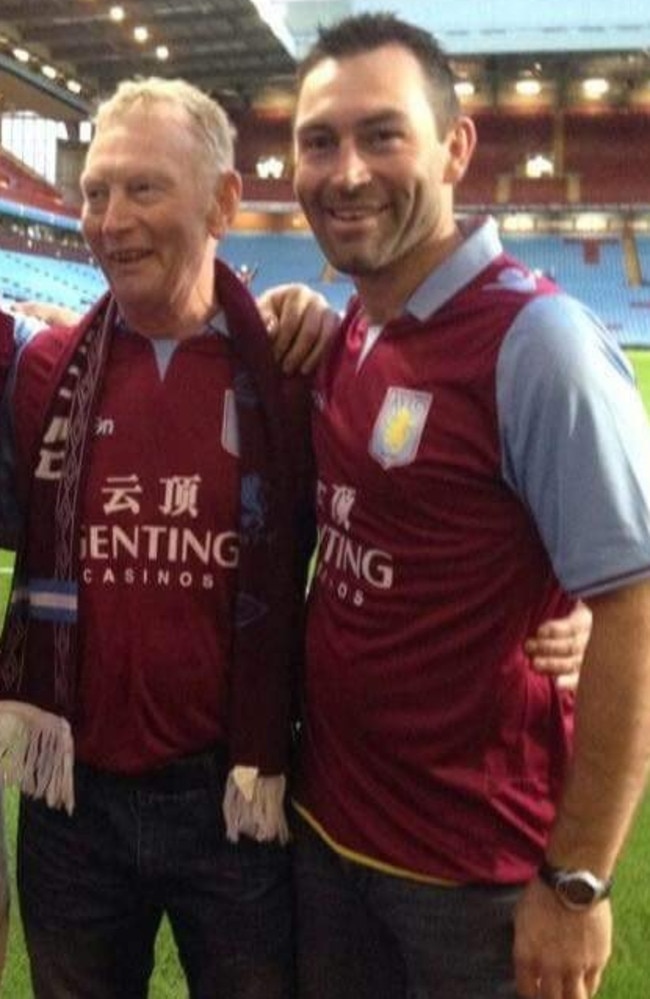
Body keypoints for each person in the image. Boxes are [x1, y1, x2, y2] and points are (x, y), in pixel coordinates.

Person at [287, 12, 650, 999]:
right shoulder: (345, 335)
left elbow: (632, 610)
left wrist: (574, 883)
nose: (346, 169)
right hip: (323, 837)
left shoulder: (538, 345)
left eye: (381, 134)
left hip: (474, 879)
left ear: (453, 149)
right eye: (318, 142)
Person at [0, 76, 319, 999]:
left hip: (232, 801)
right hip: (73, 808)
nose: (108, 219)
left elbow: (416, 515)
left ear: (223, 200)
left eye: (144, 188)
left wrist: (556, 614)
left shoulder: (294, 375)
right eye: (95, 191)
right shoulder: (46, 370)